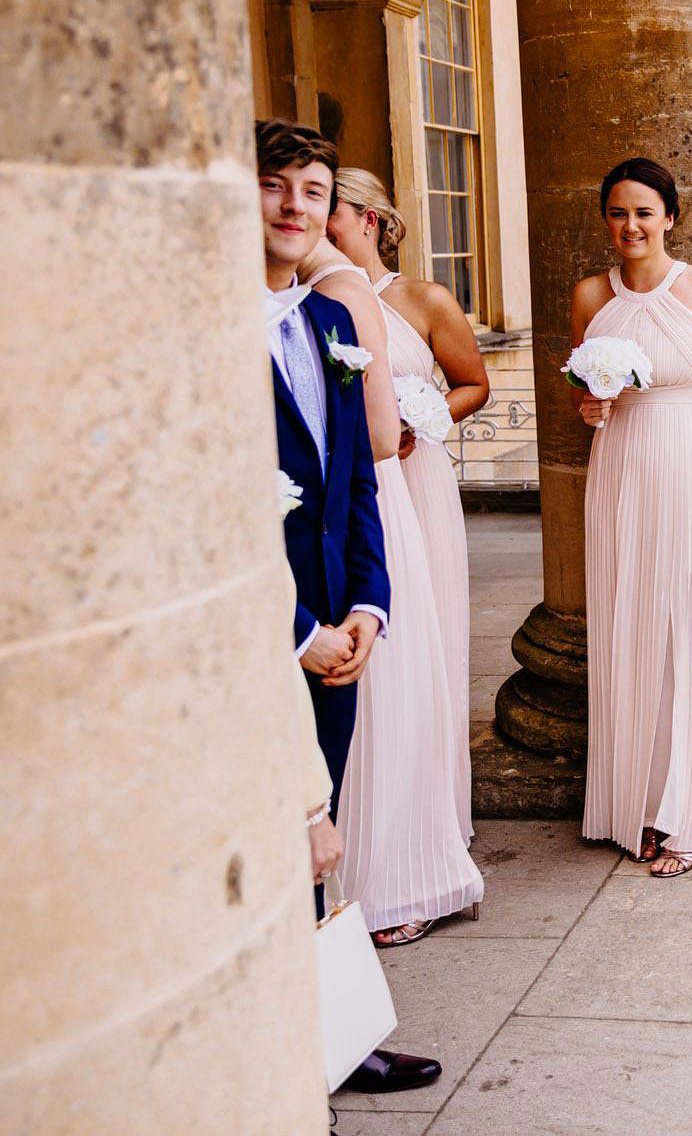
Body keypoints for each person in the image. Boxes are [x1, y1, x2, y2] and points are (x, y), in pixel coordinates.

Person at [256, 118, 439, 1095]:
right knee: (276, 824)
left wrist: (368, 607)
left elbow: (356, 485)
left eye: (312, 190)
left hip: (342, 622)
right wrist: (297, 635)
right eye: (276, 184)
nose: (295, 206)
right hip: (266, 636)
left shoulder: (329, 321)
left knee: (315, 827)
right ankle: (274, 1037)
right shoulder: (202, 332)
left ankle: (330, 1036)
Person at [301, 215, 484, 946]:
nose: (306, 209)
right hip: (349, 499)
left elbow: (383, 433)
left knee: (389, 684)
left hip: (376, 489)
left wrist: (420, 422)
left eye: (321, 196)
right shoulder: (292, 291)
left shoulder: (345, 289)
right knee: (371, 688)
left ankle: (405, 870)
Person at [572, 157, 692, 878]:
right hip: (621, 466)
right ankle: (639, 804)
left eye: (644, 212)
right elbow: (586, 392)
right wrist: (589, 406)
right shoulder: (591, 294)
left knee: (691, 626)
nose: (631, 226)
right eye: (618, 212)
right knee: (629, 623)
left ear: (670, 216)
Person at [328, 168, 490, 844]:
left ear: (368, 219)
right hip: (350, 492)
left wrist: (418, 418)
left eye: (329, 208)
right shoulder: (308, 298)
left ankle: (432, 822)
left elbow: (474, 384)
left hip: (417, 482)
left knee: (427, 646)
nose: (317, 224)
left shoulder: (423, 299)